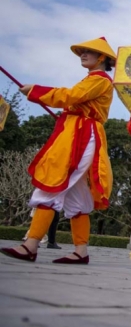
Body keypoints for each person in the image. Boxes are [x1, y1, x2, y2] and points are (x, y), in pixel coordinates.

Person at [1, 37, 116, 264]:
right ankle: (81, 251)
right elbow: (73, 100)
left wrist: (35, 91)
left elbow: (69, 96)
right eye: (82, 52)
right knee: (76, 196)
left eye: (88, 52)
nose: (83, 55)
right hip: (75, 131)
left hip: (81, 136)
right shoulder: (92, 80)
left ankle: (30, 245)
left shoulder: (100, 80)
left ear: (101, 58)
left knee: (55, 184)